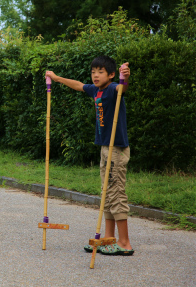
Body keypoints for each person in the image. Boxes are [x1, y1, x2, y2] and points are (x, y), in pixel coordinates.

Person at [45, 56, 134, 256]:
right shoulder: (96, 90)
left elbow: (122, 89)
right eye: (93, 71)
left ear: (111, 75)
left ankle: (125, 242)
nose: (95, 75)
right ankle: (109, 238)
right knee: (107, 193)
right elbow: (78, 85)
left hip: (116, 148)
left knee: (116, 193)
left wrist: (124, 79)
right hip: (105, 147)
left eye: (100, 72)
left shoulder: (112, 89)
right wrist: (56, 78)